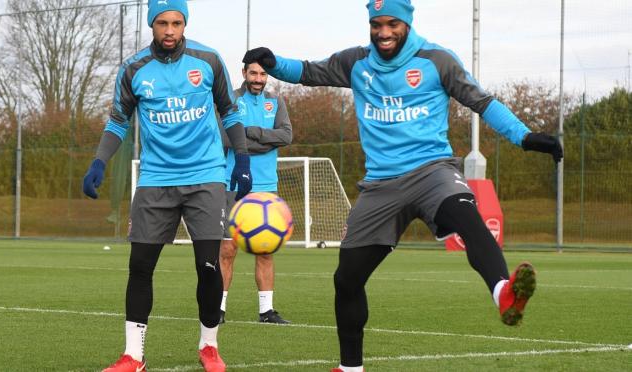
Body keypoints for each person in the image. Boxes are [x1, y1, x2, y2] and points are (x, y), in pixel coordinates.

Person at [242, 1, 563, 371]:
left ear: (407, 22)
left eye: (392, 23)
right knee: (347, 279)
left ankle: (503, 293)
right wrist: (272, 62)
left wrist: (524, 137)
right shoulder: (356, 63)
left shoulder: (437, 60)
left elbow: (482, 101)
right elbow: (310, 72)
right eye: (376, 24)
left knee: (467, 217)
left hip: (432, 172)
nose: (383, 32)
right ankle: (351, 368)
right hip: (380, 186)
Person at [82, 1, 252, 371]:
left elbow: (230, 111)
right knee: (140, 266)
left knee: (208, 267)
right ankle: (133, 356)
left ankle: (209, 346)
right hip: (156, 180)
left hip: (205, 177)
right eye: (162, 23)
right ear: (152, 25)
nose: (170, 30)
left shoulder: (208, 61)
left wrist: (241, 158)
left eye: (176, 22)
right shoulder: (134, 69)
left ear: (184, 23)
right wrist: (99, 161)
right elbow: (117, 122)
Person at [218, 62, 293, 325]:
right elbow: (226, 138)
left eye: (262, 74)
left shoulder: (276, 102)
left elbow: (286, 136)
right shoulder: (231, 100)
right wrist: (263, 142)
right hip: (234, 184)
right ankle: (218, 309)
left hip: (266, 187)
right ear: (244, 74)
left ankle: (267, 311)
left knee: (266, 249)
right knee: (227, 250)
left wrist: (250, 133)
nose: (258, 79)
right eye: (253, 73)